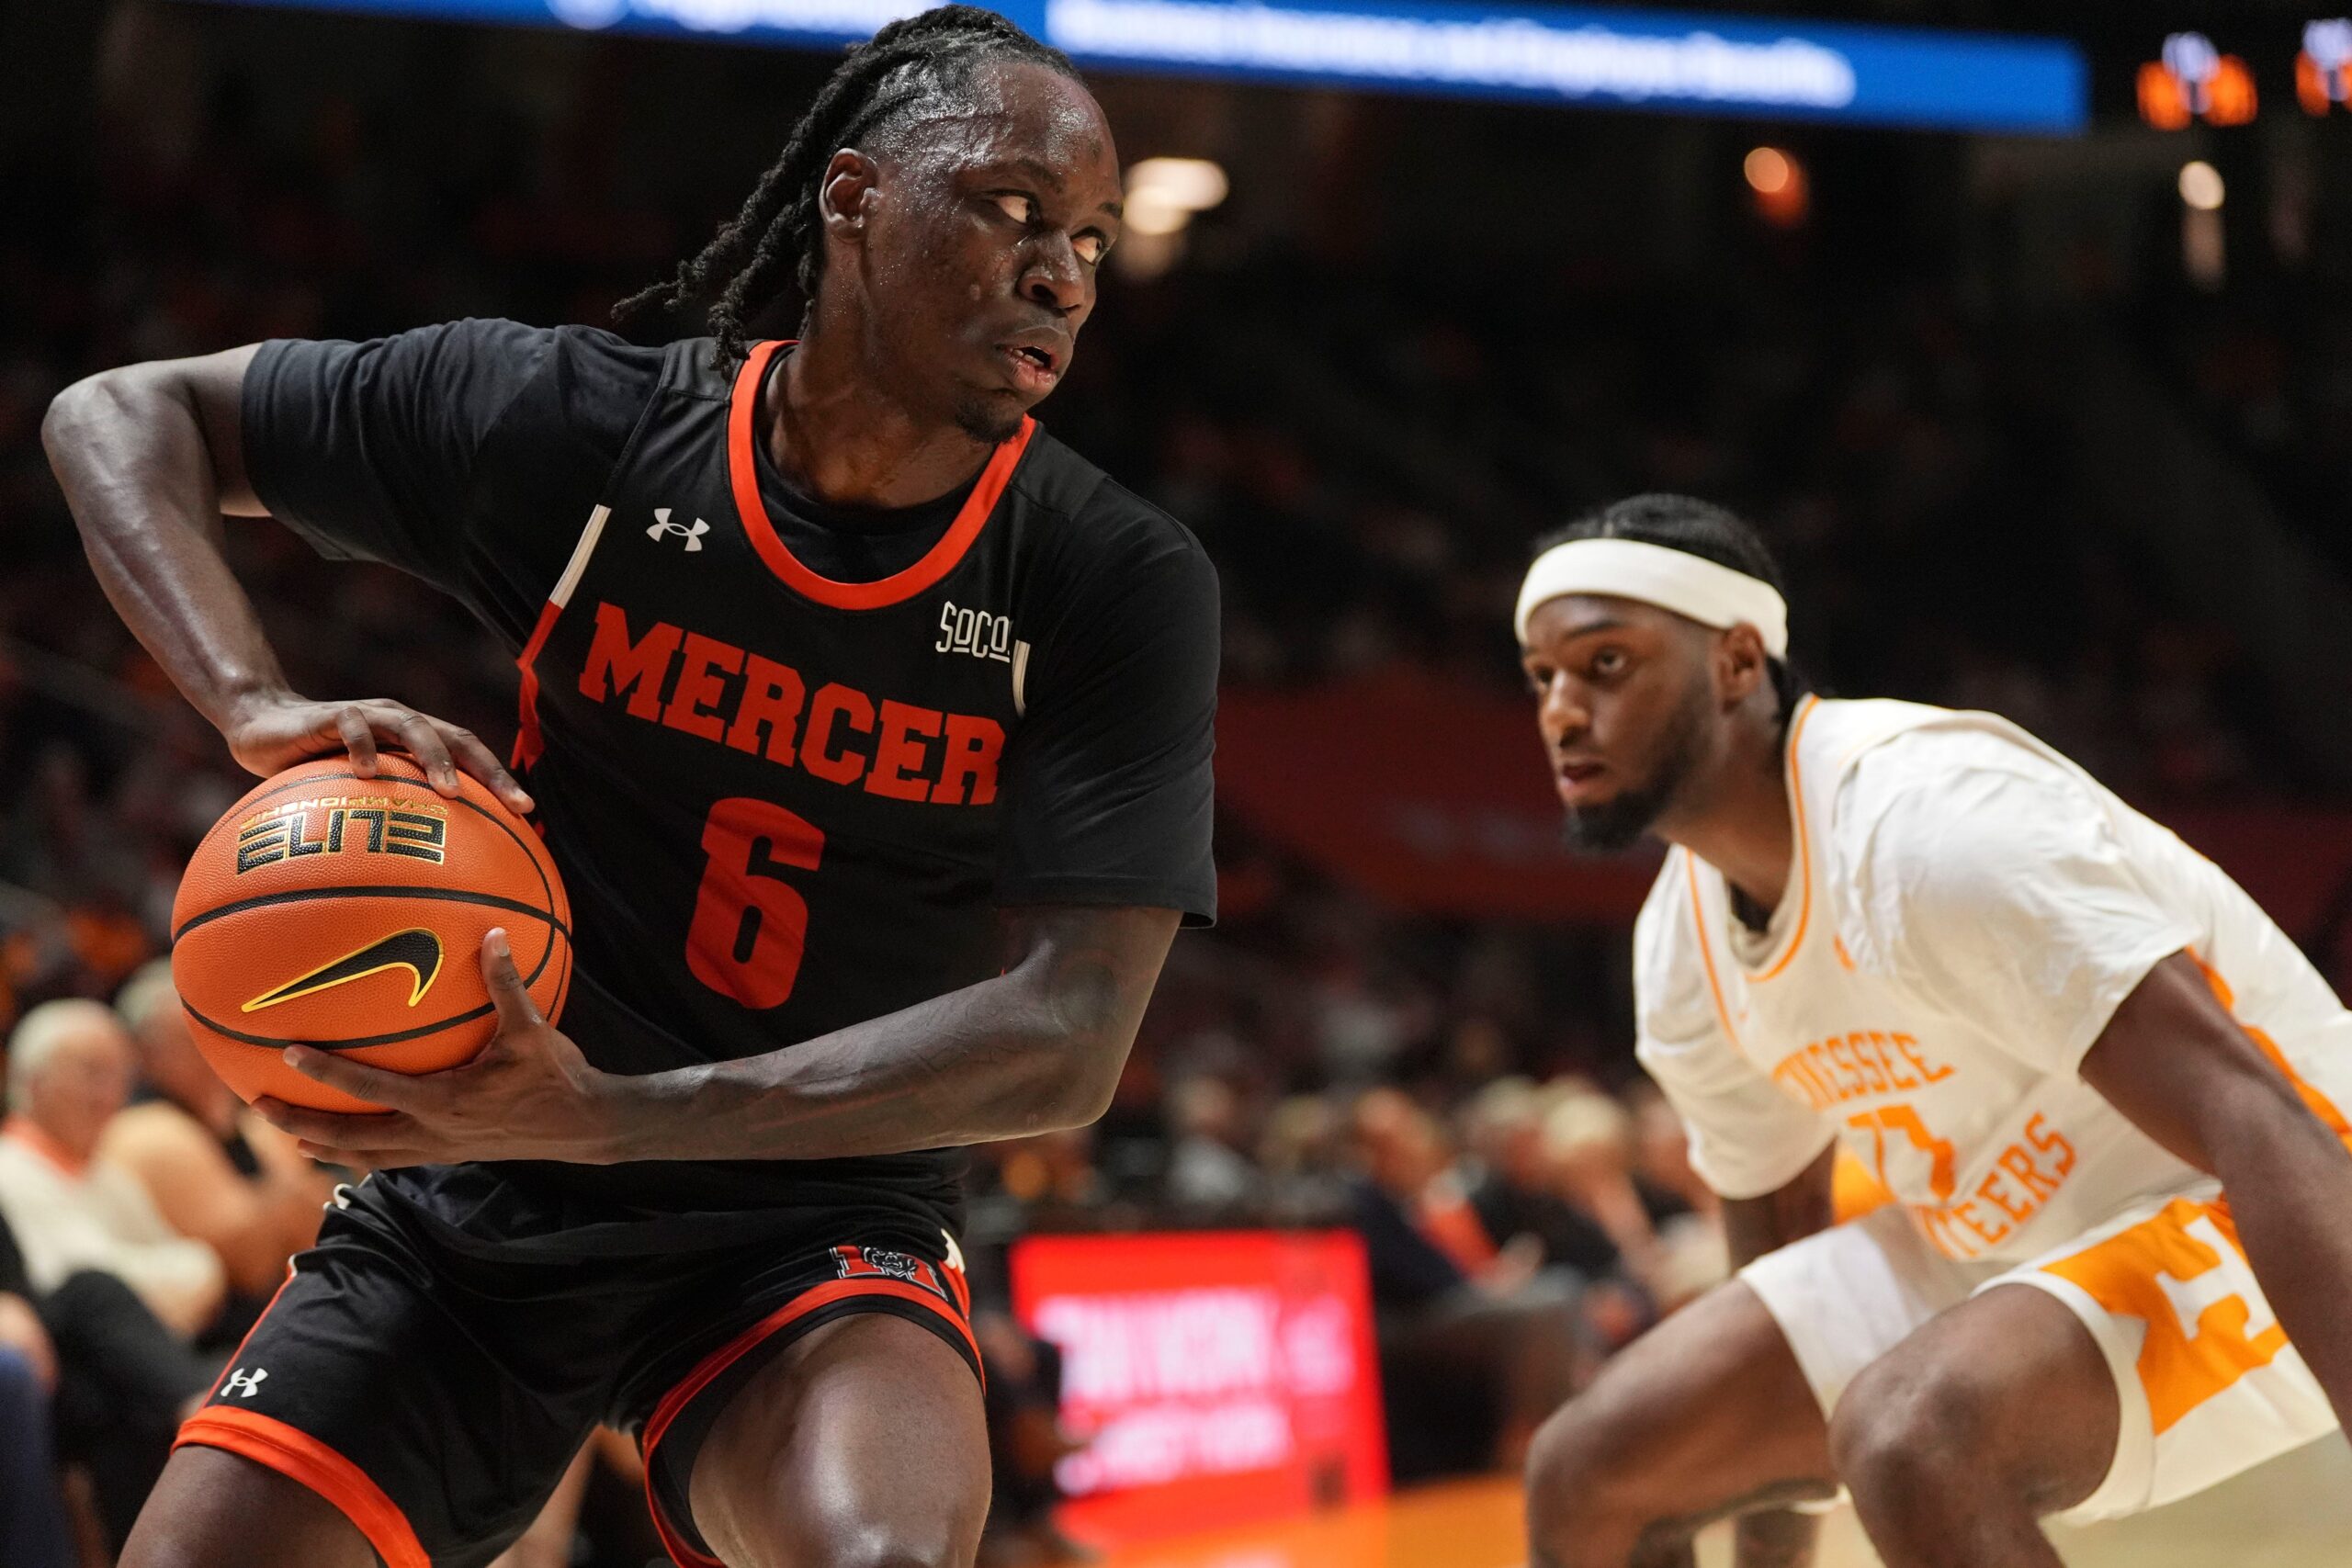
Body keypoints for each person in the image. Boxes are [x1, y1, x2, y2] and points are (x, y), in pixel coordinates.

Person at [42, 9, 1217, 1567]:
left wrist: (625, 1118)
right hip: (487, 1168)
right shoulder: (585, 430)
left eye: (1090, 238)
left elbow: (1071, 1037)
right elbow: (119, 415)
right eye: (1013, 208)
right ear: (854, 196)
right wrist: (254, 701)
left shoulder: (1109, 576)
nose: (1063, 274)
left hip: (814, 1210)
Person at [1512, 495, 2352, 1568]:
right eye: (1541, 677)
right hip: (1996, 1248)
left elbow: (2251, 1111)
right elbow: (1784, 1266)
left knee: (1914, 1434)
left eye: (1605, 664)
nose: (1561, 712)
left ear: (1735, 661)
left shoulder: (1930, 823)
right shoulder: (1679, 947)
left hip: (2271, 1187)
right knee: (1588, 1472)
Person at [101, 960, 334, 1303]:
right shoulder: (147, 1130)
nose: (212, 1055)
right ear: (148, 1056)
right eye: (192, 1042)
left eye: (220, 1037)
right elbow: (252, 1265)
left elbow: (317, 1224)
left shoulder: (241, 1120)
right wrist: (290, 1201)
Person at [0, 1001, 226, 1342]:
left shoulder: (108, 1174)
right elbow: (91, 1287)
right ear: (34, 1082)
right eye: (92, 1074)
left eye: (121, 1076)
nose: (108, 1096)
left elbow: (201, 1266)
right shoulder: (11, 1170)